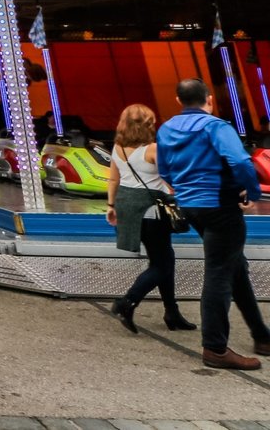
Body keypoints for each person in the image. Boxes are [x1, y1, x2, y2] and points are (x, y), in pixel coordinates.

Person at [156, 79, 269, 370]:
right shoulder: (216, 127)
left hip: (190, 206)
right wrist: (252, 192)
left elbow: (164, 169)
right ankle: (215, 348)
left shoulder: (166, 129)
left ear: (178, 100)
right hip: (220, 206)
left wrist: (184, 189)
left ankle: (262, 336)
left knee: (235, 266)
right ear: (209, 99)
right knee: (219, 273)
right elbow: (240, 162)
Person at [106, 104, 193, 334]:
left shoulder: (118, 148)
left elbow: (113, 180)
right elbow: (172, 178)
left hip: (128, 210)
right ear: (148, 125)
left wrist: (110, 206)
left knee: (164, 259)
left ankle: (172, 312)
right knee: (161, 264)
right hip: (152, 211)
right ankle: (127, 302)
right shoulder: (153, 150)